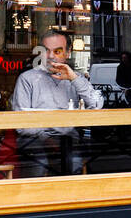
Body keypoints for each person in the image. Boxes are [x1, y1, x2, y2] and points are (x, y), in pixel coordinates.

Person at [10, 30, 105, 177]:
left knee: (72, 166)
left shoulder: (76, 79)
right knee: (39, 167)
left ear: (68, 53)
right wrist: (47, 138)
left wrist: (73, 78)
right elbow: (22, 124)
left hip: (68, 140)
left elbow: (96, 105)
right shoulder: (27, 79)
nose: (51, 56)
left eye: (58, 51)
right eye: (46, 51)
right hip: (33, 141)